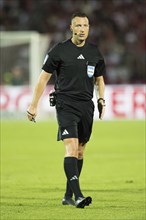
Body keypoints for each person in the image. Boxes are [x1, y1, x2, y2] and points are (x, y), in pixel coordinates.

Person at [27, 12, 106, 208]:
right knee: (71, 147)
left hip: (86, 106)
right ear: (71, 28)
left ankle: (67, 196)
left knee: (80, 151)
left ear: (89, 28)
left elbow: (99, 79)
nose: (82, 29)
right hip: (65, 104)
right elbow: (43, 78)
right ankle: (78, 196)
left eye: (85, 26)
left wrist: (101, 99)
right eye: (78, 26)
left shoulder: (94, 52)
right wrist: (34, 104)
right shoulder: (59, 51)